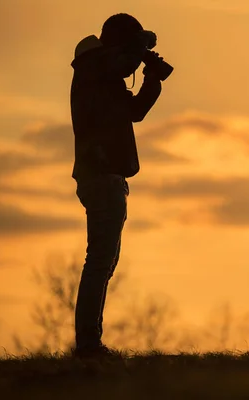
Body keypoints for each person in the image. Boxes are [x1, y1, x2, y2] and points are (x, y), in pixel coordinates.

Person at [70, 13, 172, 358]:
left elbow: (136, 111)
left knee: (104, 261)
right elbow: (116, 66)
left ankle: (89, 341)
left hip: (106, 176)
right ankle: (88, 343)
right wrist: (141, 46)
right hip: (101, 175)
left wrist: (152, 80)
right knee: (99, 261)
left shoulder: (101, 76)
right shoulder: (92, 64)